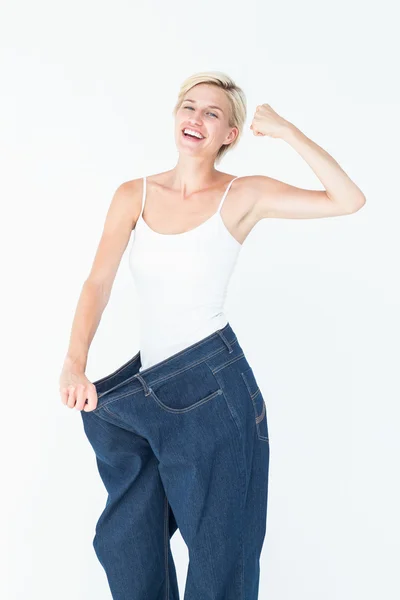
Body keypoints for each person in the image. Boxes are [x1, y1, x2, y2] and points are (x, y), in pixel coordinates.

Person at [59, 71, 366, 599]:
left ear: (231, 134)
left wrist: (289, 132)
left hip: (214, 391)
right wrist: (74, 362)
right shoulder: (134, 193)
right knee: (127, 546)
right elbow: (97, 282)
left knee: (222, 556)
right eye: (188, 106)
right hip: (145, 393)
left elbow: (348, 199)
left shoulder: (243, 195)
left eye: (212, 113)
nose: (195, 119)